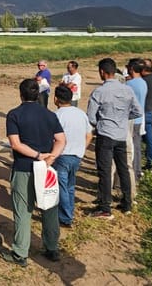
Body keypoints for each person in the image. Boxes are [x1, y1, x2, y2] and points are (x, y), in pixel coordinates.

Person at [0, 79, 66, 267]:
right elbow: (61, 140)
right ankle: (52, 248)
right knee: (49, 207)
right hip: (46, 169)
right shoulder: (49, 114)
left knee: (23, 210)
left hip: (23, 168)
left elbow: (15, 144)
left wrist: (37, 155)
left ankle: (21, 253)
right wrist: (50, 157)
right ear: (37, 94)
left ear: (21, 94)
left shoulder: (14, 115)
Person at [87, 58, 142, 220]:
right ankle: (127, 203)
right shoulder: (127, 90)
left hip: (105, 134)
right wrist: (123, 118)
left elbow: (91, 117)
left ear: (102, 72)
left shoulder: (99, 92)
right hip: (121, 134)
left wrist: (102, 122)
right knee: (123, 168)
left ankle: (105, 207)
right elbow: (138, 112)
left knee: (105, 171)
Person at [52, 85, 92, 228]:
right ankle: (69, 211)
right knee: (70, 185)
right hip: (77, 155)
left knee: (61, 186)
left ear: (55, 99)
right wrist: (82, 148)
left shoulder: (57, 115)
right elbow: (89, 135)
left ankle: (65, 217)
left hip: (62, 155)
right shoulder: (81, 113)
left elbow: (53, 137)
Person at [125, 60, 147, 183]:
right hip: (140, 118)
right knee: (137, 145)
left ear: (132, 69)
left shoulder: (129, 84)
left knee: (130, 147)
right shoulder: (143, 83)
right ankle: (138, 170)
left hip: (131, 119)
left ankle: (132, 172)